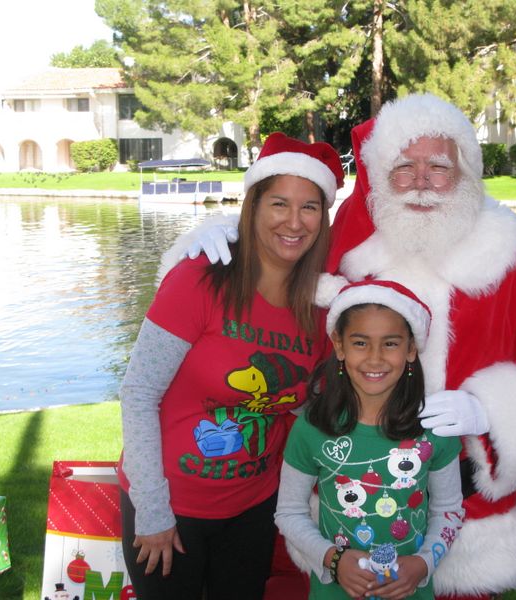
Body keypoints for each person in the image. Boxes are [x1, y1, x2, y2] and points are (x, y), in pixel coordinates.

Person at [165, 93, 516, 598]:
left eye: (438, 167)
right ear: (379, 173)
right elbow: (271, 263)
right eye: (403, 168)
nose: (420, 181)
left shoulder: (511, 258)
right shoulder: (344, 238)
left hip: (465, 512)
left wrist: (491, 412)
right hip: (338, 494)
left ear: (466, 170)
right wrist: (226, 239)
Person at [117, 132, 345, 599]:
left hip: (253, 509)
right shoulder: (199, 278)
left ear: (324, 218)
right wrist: (154, 511)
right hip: (171, 508)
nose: (294, 222)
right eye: (280, 203)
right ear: (254, 207)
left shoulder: (319, 308)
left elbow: (303, 408)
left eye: (310, 207)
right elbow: (139, 393)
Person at [275, 279, 465, 599]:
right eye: (361, 343)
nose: (375, 359)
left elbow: (448, 510)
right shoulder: (312, 427)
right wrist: (333, 560)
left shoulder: (434, 429)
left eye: (390, 343)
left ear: (411, 349)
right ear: (339, 345)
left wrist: (421, 564)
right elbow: (289, 512)